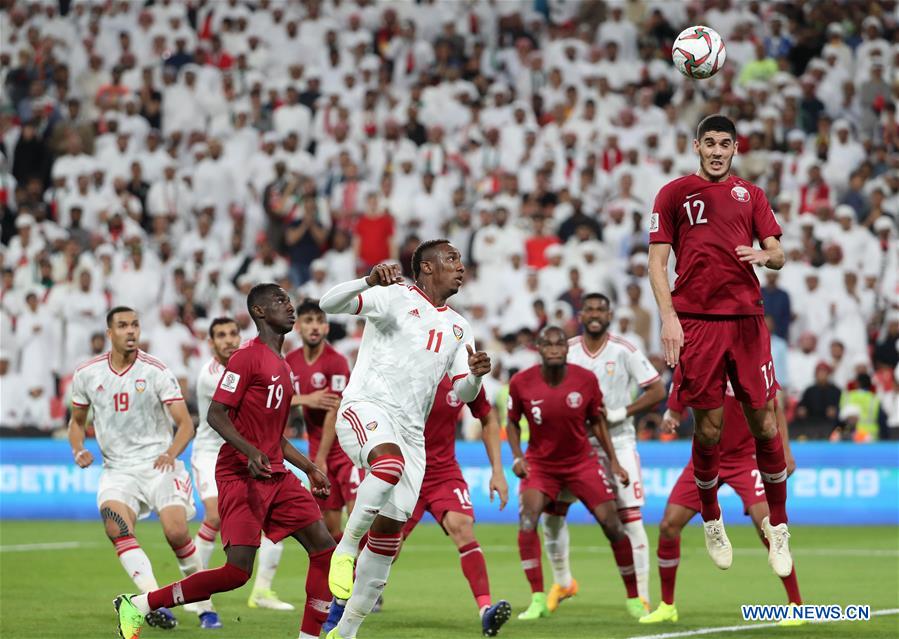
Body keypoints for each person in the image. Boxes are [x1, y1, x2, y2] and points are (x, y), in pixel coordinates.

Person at [114, 284, 337, 639]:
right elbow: (216, 414)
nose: (289, 306)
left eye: (289, 300)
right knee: (237, 573)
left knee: (325, 550)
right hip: (241, 475)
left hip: (276, 474)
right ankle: (141, 604)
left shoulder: (282, 364)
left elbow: (273, 435)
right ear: (259, 312)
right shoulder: (246, 357)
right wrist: (249, 451)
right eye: (280, 301)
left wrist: (308, 467)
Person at [318, 239, 491, 639]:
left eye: (460, 260)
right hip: (367, 407)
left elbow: (464, 391)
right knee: (388, 465)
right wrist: (367, 281)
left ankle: (345, 632)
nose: (461, 267)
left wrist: (476, 375)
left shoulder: (459, 326)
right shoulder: (393, 295)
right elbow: (329, 303)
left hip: (412, 436)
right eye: (452, 259)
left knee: (386, 541)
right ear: (427, 267)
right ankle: (345, 549)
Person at [647, 114, 792, 578]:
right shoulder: (673, 193)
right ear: (696, 146)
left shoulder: (752, 195)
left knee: (764, 422)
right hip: (697, 322)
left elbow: (779, 254)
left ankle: (779, 527)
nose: (716, 151)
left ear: (735, 148)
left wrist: (765, 255)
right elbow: (656, 262)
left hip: (746, 320)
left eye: (724, 143)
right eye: (708, 142)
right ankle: (712, 518)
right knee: (708, 430)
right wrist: (669, 318)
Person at [68, 306, 219, 630]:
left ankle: (205, 606)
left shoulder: (156, 371)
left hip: (158, 464)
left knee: (176, 532)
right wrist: (78, 448)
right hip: (117, 470)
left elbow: (185, 424)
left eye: (135, 325)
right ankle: (154, 600)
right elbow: (76, 422)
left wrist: (170, 453)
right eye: (123, 325)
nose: (131, 331)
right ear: (109, 333)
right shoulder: (87, 373)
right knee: (116, 528)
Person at [506, 325, 644, 621]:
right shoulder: (521, 382)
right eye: (548, 344)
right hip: (541, 465)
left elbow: (597, 421)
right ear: (539, 349)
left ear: (567, 350)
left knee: (612, 525)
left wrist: (614, 462)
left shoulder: (585, 380)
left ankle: (634, 598)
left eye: (559, 344)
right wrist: (517, 456)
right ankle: (537, 599)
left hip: (582, 462)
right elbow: (512, 422)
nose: (554, 349)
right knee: (528, 521)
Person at [640, 375, 802, 626]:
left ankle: (796, 606)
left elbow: (773, 406)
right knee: (669, 525)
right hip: (706, 455)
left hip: (745, 457)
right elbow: (680, 382)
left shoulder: (745, 360)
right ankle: (667, 606)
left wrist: (786, 450)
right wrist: (673, 413)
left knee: (768, 524)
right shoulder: (701, 360)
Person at [540, 293, 666, 612]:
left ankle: (641, 596)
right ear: (581, 315)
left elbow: (657, 390)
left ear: (609, 315)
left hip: (618, 443)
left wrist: (622, 412)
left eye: (601, 310)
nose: (595, 314)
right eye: (589, 310)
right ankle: (563, 582)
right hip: (574, 446)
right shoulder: (566, 350)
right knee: (552, 517)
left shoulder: (624, 350)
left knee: (630, 520)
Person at [191, 316, 295, 611]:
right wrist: (306, 398)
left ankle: (262, 591)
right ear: (211, 343)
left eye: (232, 333)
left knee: (273, 516)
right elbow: (257, 402)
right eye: (220, 335)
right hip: (212, 452)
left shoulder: (248, 363)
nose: (228, 340)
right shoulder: (211, 375)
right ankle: (196, 591)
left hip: (250, 450)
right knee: (214, 517)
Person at [398, 375, 512, 636]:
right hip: (405, 472)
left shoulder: (461, 379)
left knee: (463, 527)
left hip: (443, 472)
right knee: (388, 547)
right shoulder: (405, 371)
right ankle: (341, 605)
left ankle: (486, 611)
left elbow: (488, 417)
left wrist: (497, 471)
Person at [285, 299, 355, 539]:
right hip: (316, 449)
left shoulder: (336, 361)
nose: (314, 326)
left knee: (358, 521)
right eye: (308, 320)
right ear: (298, 327)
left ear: (326, 327)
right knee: (330, 529)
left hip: (347, 450)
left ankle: (368, 560)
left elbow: (334, 409)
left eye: (319, 321)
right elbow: (278, 400)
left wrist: (320, 459)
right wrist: (307, 399)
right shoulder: (290, 362)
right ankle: (346, 565)